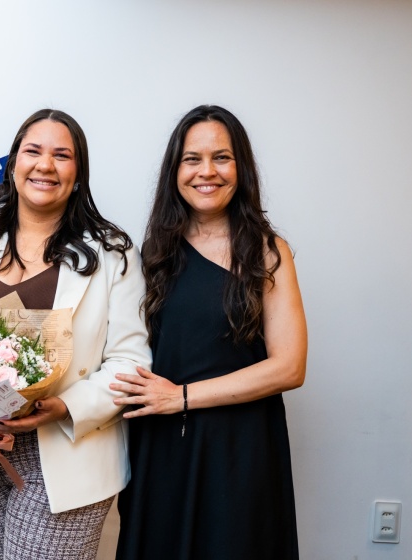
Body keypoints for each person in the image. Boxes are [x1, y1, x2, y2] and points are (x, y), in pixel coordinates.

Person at [0, 108, 152, 559]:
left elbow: (131, 361)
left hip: (67, 451)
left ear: (78, 174)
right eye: (33, 151)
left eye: (62, 155)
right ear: (12, 164)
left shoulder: (114, 253)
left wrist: (62, 405)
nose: (45, 165)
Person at [113, 105, 307, 559]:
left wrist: (179, 397)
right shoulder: (152, 252)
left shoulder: (267, 251)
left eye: (221, 157)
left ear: (241, 168)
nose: (207, 172)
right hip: (160, 448)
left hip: (240, 449)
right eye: (192, 159)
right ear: (174, 170)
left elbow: (289, 367)